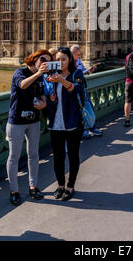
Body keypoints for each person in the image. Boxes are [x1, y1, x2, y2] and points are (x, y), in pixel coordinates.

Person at [6, 49, 53, 206]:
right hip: (16, 121)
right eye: (42, 59)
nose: (44, 63)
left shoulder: (42, 78)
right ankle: (14, 190)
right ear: (33, 59)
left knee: (33, 154)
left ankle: (33, 186)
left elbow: (42, 95)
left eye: (48, 61)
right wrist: (39, 74)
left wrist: (44, 103)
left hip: (33, 120)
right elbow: (22, 85)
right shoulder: (20, 72)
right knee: (14, 157)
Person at [47, 47, 85, 201]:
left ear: (69, 59)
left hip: (73, 121)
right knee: (58, 156)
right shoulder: (50, 75)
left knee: (73, 155)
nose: (60, 62)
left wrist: (60, 80)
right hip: (55, 122)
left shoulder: (77, 74)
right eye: (57, 59)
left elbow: (76, 90)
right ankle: (61, 185)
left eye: (63, 59)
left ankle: (70, 186)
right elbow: (48, 95)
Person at [70, 44, 103, 139]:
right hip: (74, 89)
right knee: (79, 110)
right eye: (77, 54)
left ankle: (92, 127)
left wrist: (89, 71)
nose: (79, 56)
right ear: (71, 54)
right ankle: (83, 129)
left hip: (82, 88)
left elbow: (83, 71)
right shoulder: (68, 63)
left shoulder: (78, 61)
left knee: (88, 107)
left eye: (80, 54)